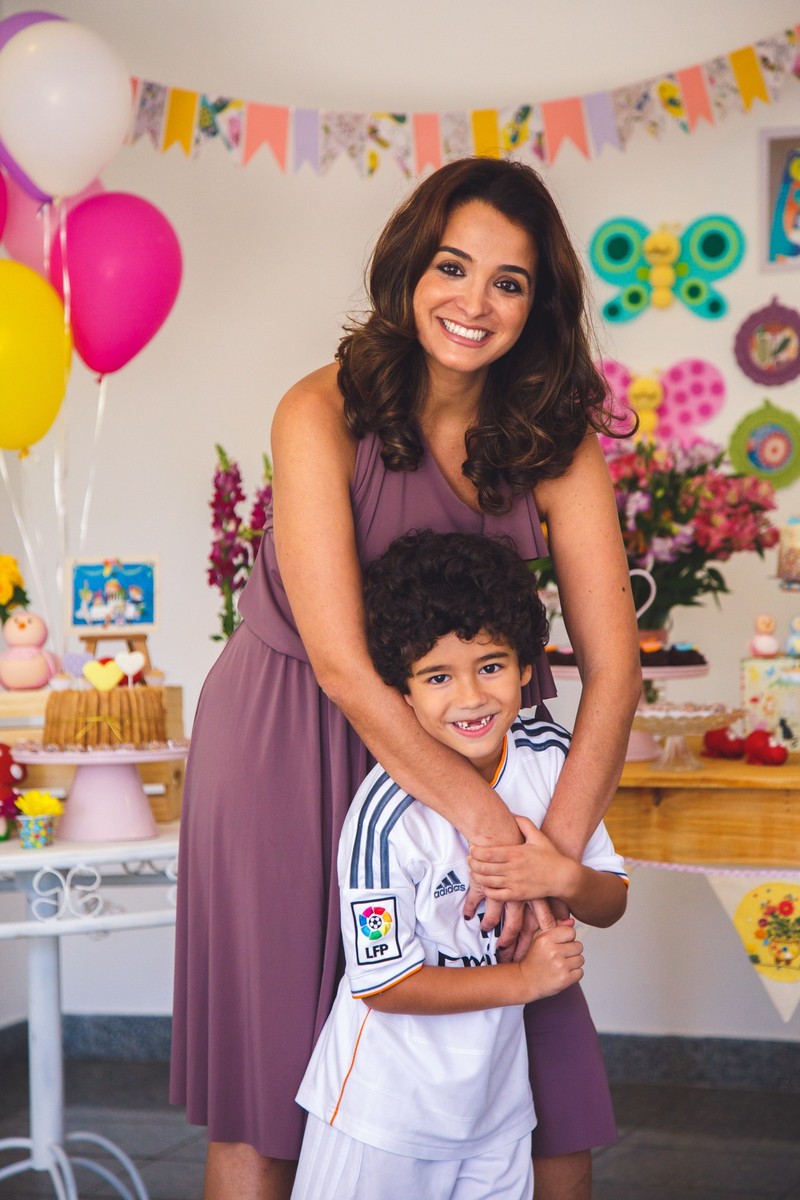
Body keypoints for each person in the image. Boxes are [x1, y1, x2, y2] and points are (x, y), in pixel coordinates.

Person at [169, 156, 642, 1200]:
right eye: (451, 266)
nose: (473, 303)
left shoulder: (554, 444)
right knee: (279, 1076)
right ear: (406, 269)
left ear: (538, 302)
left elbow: (614, 672)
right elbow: (341, 663)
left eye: (508, 282)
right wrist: (492, 833)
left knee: (541, 1050)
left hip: (479, 737)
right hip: (295, 737)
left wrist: (544, 859)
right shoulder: (319, 411)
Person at [292, 530, 629, 1200]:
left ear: (528, 665)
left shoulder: (552, 759)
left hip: (497, 1112)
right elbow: (383, 983)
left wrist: (561, 877)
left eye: (491, 665)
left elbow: (610, 897)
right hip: (382, 1116)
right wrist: (525, 982)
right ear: (401, 692)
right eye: (438, 676)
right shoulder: (384, 817)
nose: (471, 697)